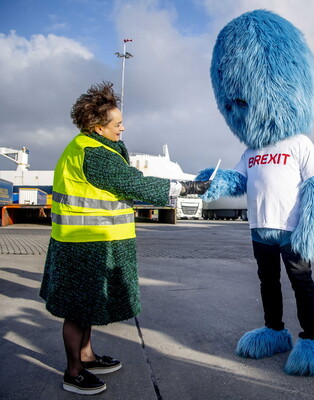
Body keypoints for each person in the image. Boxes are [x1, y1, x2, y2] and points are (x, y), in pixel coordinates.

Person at [39, 82, 210, 395]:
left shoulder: (90, 146)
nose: (122, 128)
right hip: (84, 243)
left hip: (89, 240)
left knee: (86, 305)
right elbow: (135, 184)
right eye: (117, 124)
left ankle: (86, 356)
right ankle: (73, 371)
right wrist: (182, 188)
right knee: (78, 310)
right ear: (98, 127)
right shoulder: (94, 154)